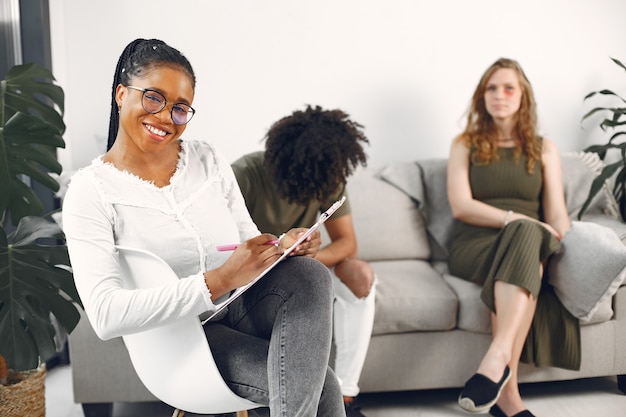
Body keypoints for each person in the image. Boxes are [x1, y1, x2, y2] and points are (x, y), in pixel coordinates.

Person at [62, 38, 346, 417]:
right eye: (153, 98)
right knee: (323, 385)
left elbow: (249, 247)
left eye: (180, 108)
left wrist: (280, 247)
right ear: (120, 94)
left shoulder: (208, 160)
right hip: (179, 343)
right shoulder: (90, 191)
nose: (165, 116)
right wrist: (217, 280)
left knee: (310, 274)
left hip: (238, 311)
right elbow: (105, 315)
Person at [447, 58, 578, 417]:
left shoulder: (544, 147)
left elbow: (555, 213)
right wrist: (516, 218)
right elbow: (461, 206)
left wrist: (560, 243)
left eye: (508, 88)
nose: (499, 95)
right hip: (474, 243)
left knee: (527, 241)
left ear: (524, 97)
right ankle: (505, 385)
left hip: (527, 243)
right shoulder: (465, 143)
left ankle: (497, 367)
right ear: (481, 96)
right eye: (491, 88)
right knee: (524, 235)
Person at [231, 105, 377, 417]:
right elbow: (224, 253)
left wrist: (309, 254)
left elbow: (347, 243)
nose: (315, 190)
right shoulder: (246, 174)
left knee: (360, 275)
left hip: (301, 271)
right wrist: (279, 252)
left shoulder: (326, 177)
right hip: (254, 279)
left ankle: (348, 395)